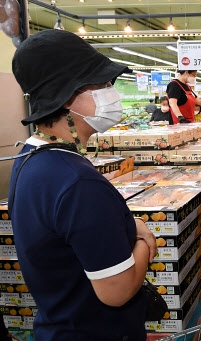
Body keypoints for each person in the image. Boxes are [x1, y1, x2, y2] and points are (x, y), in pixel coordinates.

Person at [8, 29, 157, 340]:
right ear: (66, 98)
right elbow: (116, 290)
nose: (110, 92)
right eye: (100, 85)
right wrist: (145, 241)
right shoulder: (76, 181)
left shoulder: (31, 158)